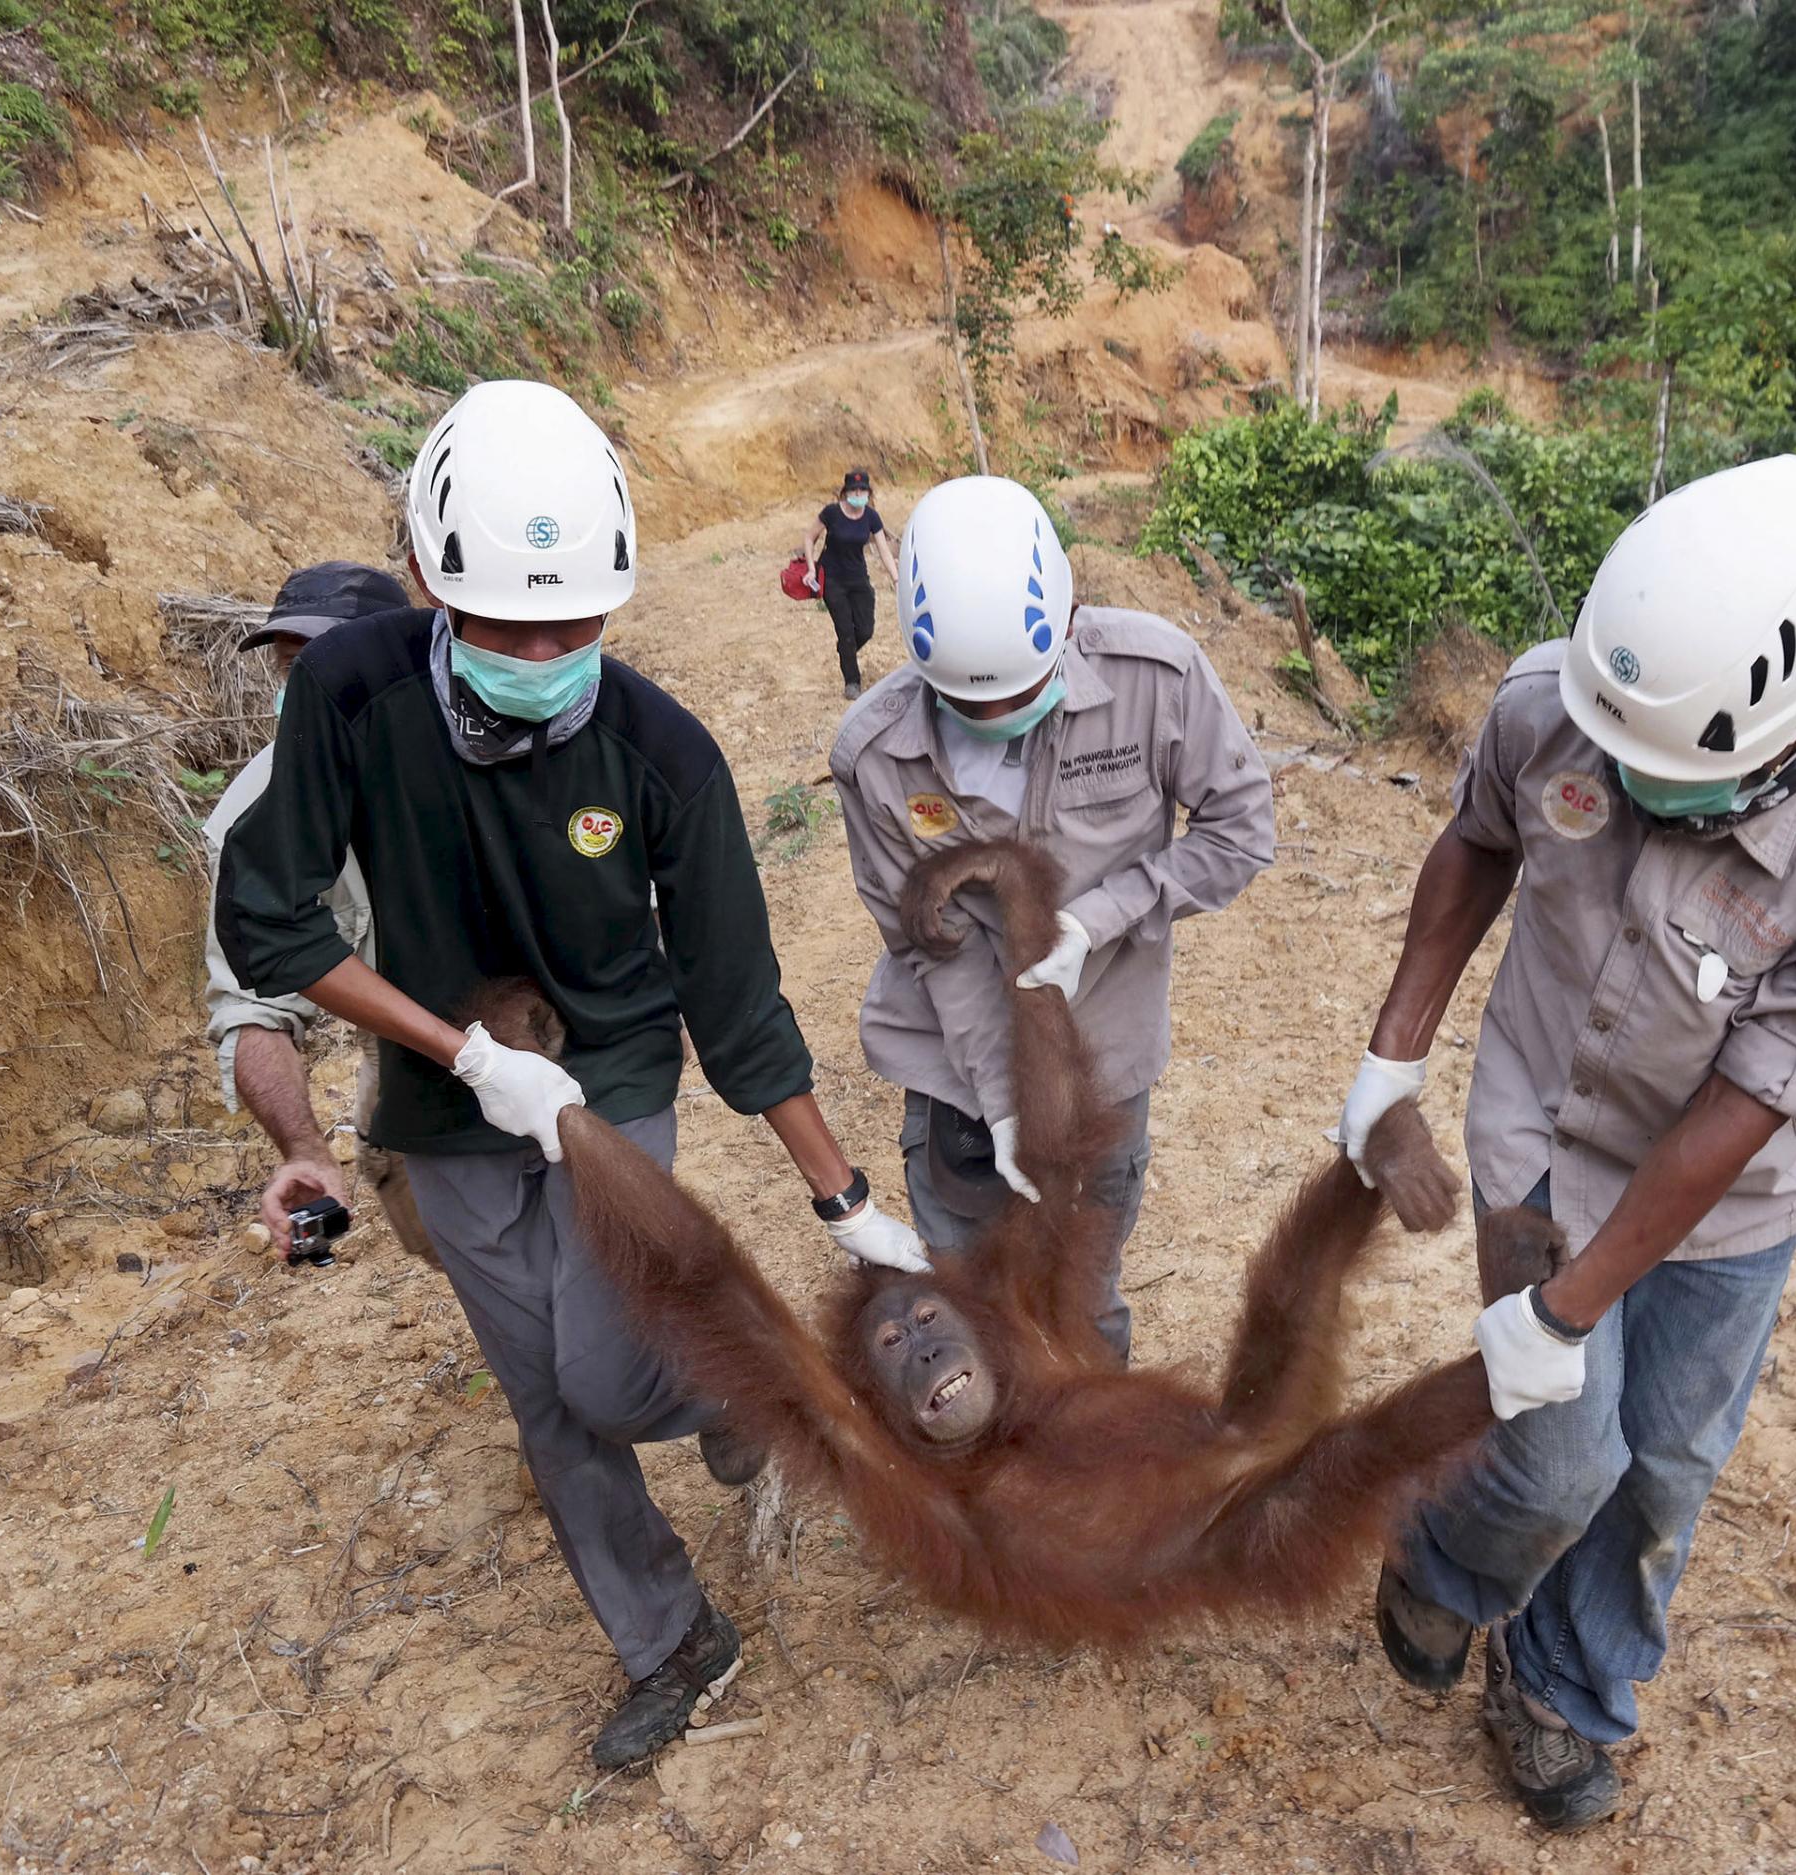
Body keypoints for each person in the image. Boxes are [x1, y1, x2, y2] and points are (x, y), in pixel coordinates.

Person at [213, 379, 926, 1769]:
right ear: (426, 579)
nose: (545, 650)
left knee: (604, 1370)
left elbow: (736, 1002)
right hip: (443, 1103)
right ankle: (673, 1636)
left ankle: (747, 1384)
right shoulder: (353, 695)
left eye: (576, 624)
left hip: (611, 1077)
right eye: (507, 625)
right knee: (541, 1395)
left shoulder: (659, 754)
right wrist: (464, 1052)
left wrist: (846, 1201)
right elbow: (273, 923)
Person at [1337, 456, 1796, 1830]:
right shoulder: (1556, 704)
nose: (1622, 775)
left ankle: (1561, 1684)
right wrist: (1394, 1052)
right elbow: (1474, 847)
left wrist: (1565, 1306)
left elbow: (1744, 1102)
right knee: (1564, 1458)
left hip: (1721, 1197)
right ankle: (1442, 1558)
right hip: (1539, 1130)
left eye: (1666, 767)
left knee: (1662, 1470)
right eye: (1615, 748)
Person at [830, 475, 1276, 1362]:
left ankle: (1108, 1483)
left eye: (1017, 694)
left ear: (1066, 625)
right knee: (968, 1311)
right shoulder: (874, 754)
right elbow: (933, 946)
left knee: (1083, 1296)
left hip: (1104, 1056)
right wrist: (1002, 1101)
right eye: (967, 705)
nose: (994, 722)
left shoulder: (1157, 678)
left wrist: (1106, 916)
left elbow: (1241, 827)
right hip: (958, 1074)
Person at [202, 561, 440, 1265]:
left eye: (327, 666)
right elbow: (251, 1008)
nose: (305, 693)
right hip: (408, 1064)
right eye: (291, 672)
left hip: (534, 1022)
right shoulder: (252, 819)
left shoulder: (481, 748)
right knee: (459, 1246)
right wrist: (306, 1150)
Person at [802, 466, 898, 701]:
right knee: (845, 631)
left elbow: (884, 550)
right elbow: (809, 536)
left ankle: (846, 652)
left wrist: (896, 577)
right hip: (833, 579)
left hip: (858, 579)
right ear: (845, 493)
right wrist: (811, 569)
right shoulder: (832, 513)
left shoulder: (871, 517)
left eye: (862, 490)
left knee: (865, 629)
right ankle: (852, 682)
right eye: (854, 490)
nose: (858, 494)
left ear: (868, 492)